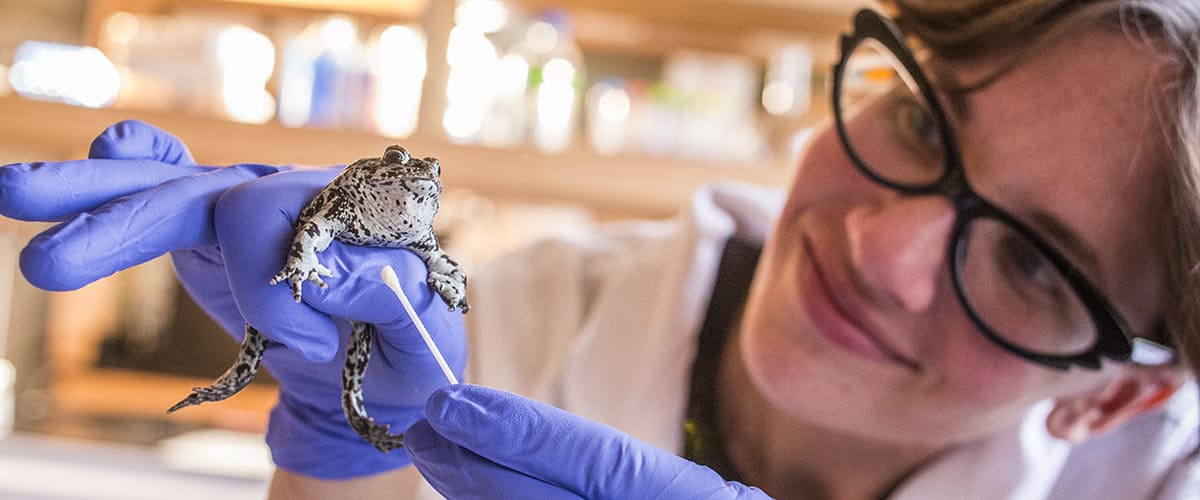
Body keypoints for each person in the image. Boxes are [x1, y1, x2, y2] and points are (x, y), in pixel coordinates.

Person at [2, 0, 1199, 498]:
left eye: (1033, 262)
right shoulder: (506, 323)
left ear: (1128, 390)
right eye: (921, 121)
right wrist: (334, 446)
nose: (884, 245)